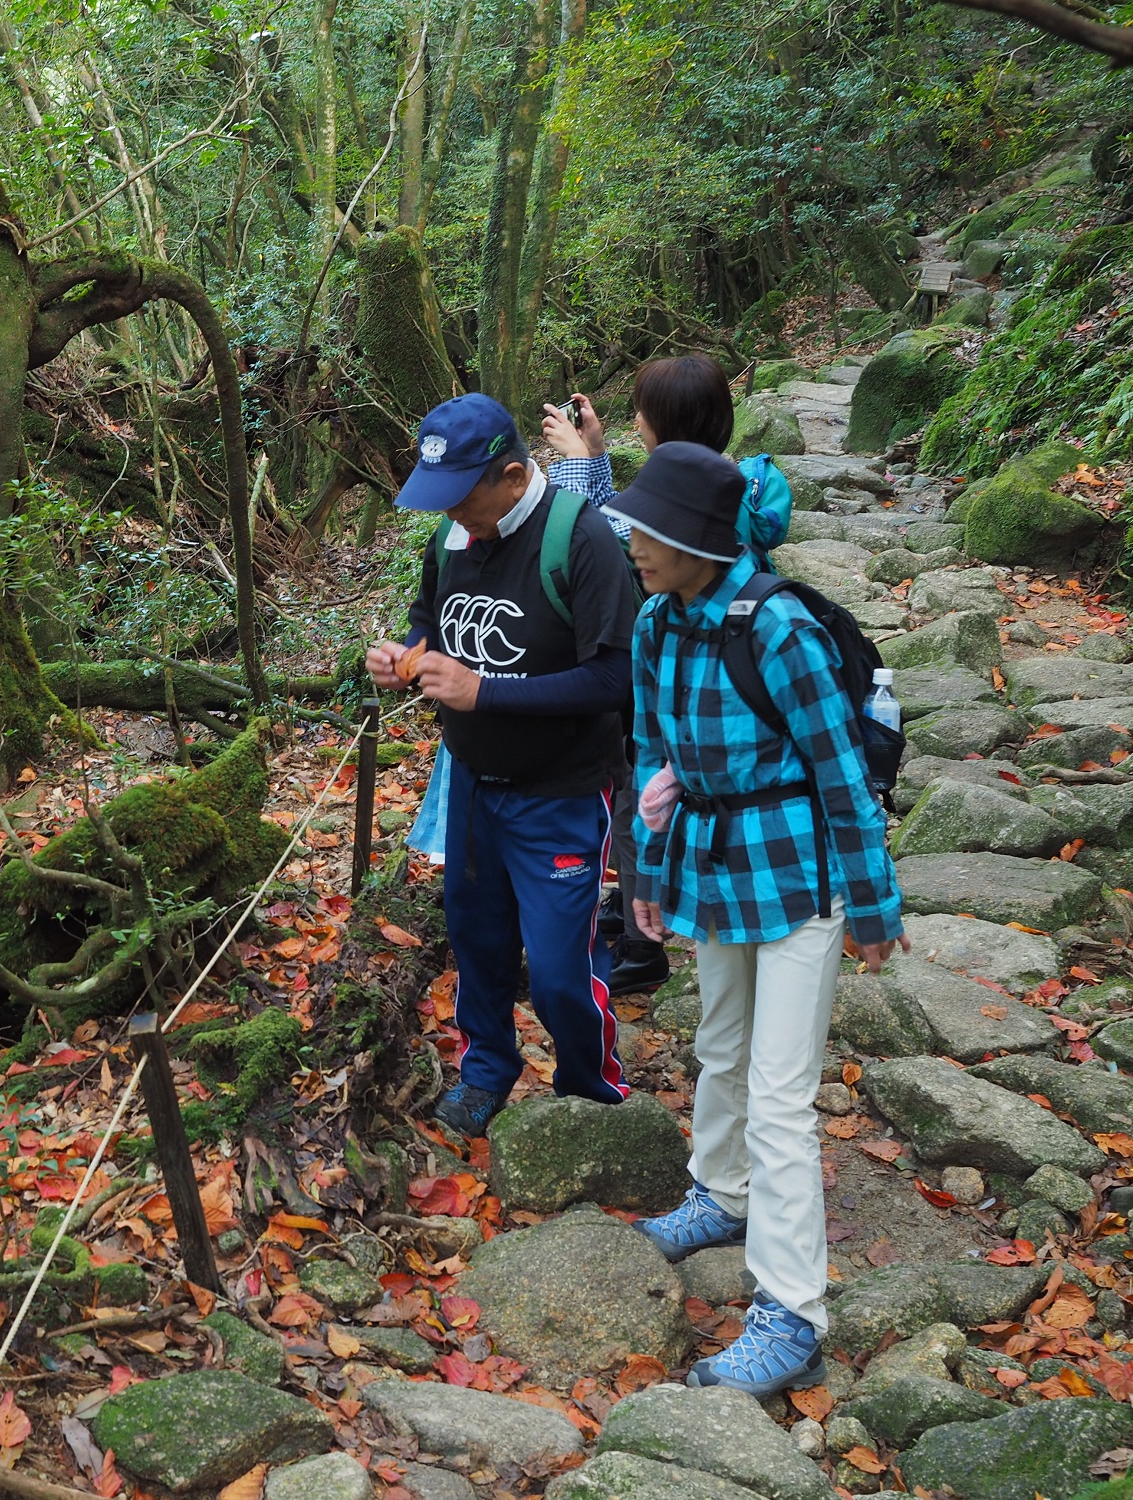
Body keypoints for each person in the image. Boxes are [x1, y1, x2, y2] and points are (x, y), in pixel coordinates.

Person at [605, 443, 906, 1396]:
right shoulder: (660, 620)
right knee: (719, 1042)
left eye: (648, 532)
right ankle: (721, 1191)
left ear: (699, 538)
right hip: (712, 866)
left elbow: (843, 777)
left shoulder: (779, 630)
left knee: (781, 1098)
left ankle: (793, 1311)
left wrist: (873, 906)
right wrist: (645, 873)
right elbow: (651, 756)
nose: (634, 546)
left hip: (797, 878)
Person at [368, 393, 640, 1139]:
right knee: (477, 940)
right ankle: (486, 1072)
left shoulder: (581, 540)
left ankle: (590, 1090)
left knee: (557, 968)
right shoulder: (453, 540)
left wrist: (485, 691)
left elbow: (615, 679)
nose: (452, 517)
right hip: (471, 784)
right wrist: (408, 654)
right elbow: (430, 616)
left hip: (559, 791)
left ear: (515, 478)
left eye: (463, 499)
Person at [535, 355, 790, 997]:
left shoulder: (693, 504)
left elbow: (592, 539)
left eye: (645, 411)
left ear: (666, 424)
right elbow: (625, 529)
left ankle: (643, 943)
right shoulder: (726, 484)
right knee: (644, 788)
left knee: (640, 791)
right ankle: (642, 906)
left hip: (674, 669)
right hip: (684, 665)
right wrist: (595, 453)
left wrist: (575, 464)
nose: (637, 420)